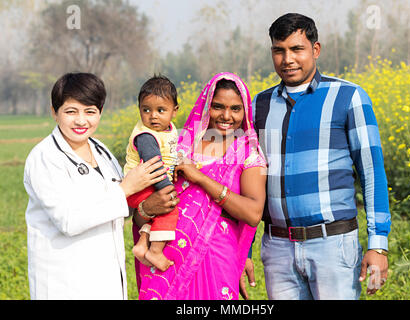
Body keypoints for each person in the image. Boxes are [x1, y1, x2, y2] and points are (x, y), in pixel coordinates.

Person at [249, 13, 391, 300]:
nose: (287, 59)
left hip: (333, 245)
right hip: (277, 248)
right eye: (279, 50)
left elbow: (372, 172)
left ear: (315, 50)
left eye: (296, 49)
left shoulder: (348, 97)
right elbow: (248, 181)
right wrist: (243, 250)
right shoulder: (258, 105)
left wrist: (377, 245)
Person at [23, 72, 166, 300]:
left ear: (100, 112)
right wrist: (125, 189)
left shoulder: (102, 151)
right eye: (71, 111)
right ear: (54, 112)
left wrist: (146, 206)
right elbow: (68, 220)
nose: (81, 121)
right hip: (65, 284)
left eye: (90, 111)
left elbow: (119, 207)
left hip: (107, 280)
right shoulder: (44, 158)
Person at [131, 72, 267, 300]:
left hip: (216, 260)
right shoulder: (182, 144)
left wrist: (201, 178)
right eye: (218, 107)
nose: (226, 115)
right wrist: (145, 210)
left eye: (235, 108)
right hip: (165, 259)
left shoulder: (248, 154)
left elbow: (253, 214)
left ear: (245, 111)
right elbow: (147, 202)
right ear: (206, 106)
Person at [124, 76, 179, 272]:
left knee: (157, 215)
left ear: (174, 111)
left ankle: (142, 244)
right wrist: (167, 189)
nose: (153, 116)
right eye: (146, 110)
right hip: (140, 185)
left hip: (150, 183)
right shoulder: (146, 136)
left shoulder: (169, 131)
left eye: (160, 110)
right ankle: (155, 251)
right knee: (169, 208)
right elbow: (154, 164)